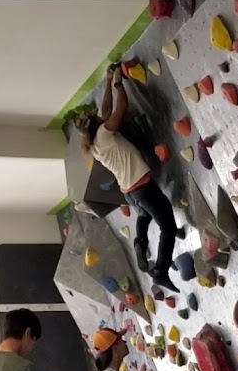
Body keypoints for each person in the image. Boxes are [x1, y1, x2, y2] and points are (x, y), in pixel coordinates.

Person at [75, 66, 184, 294]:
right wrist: (118, 84)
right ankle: (160, 271)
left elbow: (106, 111)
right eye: (96, 117)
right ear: (95, 123)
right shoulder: (104, 134)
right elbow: (120, 108)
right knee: (168, 227)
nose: (99, 115)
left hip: (130, 192)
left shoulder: (94, 144)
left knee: (144, 214)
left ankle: (140, 243)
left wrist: (107, 81)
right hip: (142, 187)